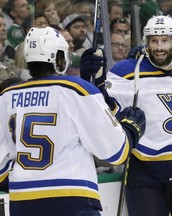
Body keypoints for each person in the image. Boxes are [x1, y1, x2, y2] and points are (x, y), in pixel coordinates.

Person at [0, 26, 146, 216]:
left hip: (24, 201)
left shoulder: (6, 96)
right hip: (72, 198)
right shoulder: (77, 90)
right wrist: (130, 129)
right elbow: (115, 151)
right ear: (59, 58)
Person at [80, 15, 172, 216]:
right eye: (154, 41)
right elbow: (106, 113)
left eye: (165, 40)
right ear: (145, 42)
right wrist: (94, 83)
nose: (159, 47)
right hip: (144, 174)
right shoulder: (128, 71)